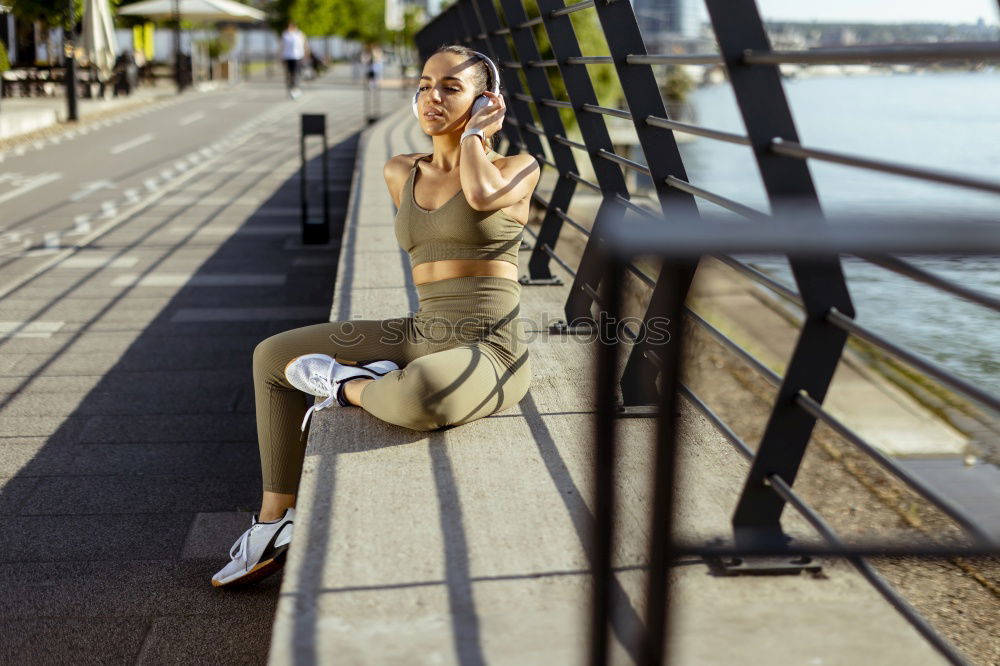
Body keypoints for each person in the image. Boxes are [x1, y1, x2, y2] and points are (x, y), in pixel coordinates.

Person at [211, 44, 540, 588]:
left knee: (421, 395)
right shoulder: (400, 171)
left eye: (451, 88)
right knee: (272, 356)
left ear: (487, 100)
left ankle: (348, 388)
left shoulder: (517, 168)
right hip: (418, 331)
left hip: (491, 348)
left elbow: (480, 196)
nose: (432, 96)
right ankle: (273, 522)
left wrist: (477, 135)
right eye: (425, 83)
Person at [280, 22, 308, 99]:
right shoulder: (285, 35)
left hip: (297, 56)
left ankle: (296, 88)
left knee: (296, 73)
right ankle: (290, 90)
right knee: (289, 74)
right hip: (287, 57)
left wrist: (305, 55)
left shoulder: (299, 34)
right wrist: (280, 56)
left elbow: (304, 45)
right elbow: (282, 46)